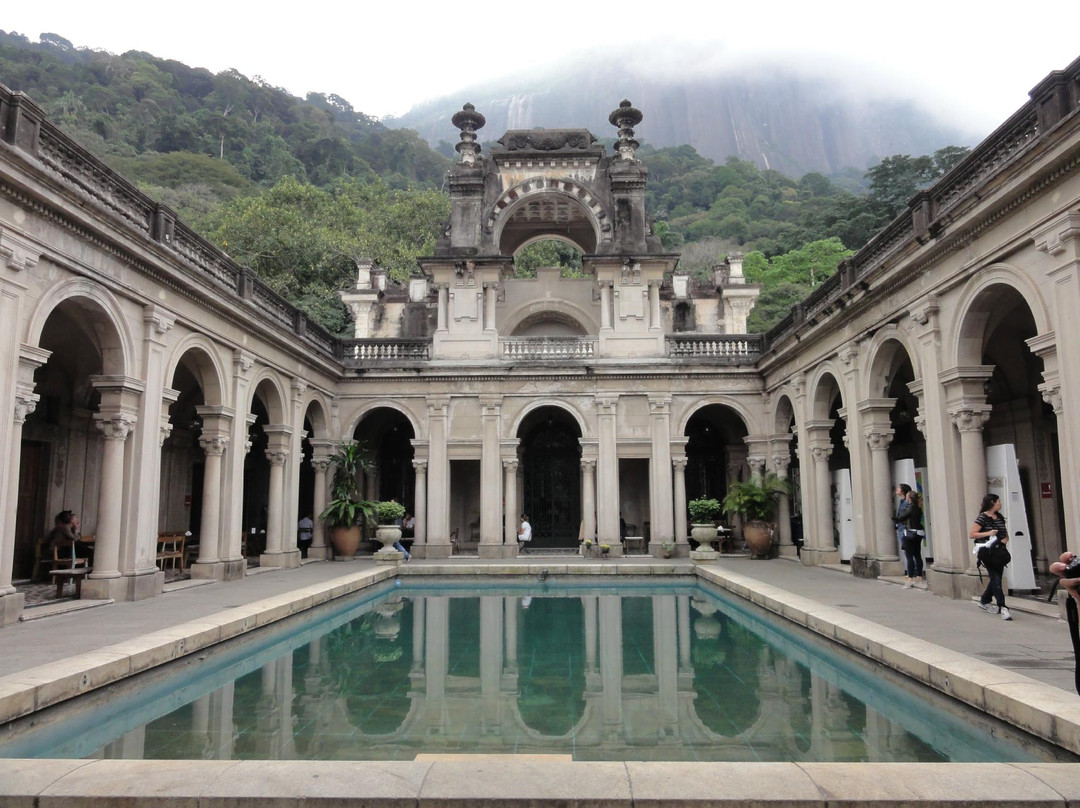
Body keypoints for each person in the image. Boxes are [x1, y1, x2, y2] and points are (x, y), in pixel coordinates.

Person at [970, 493, 1012, 621]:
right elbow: (972, 534)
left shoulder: (999, 517)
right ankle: (1003, 606)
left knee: (996, 578)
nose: (1000, 503)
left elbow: (1005, 533)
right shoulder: (982, 518)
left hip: (999, 551)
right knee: (996, 578)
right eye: (998, 501)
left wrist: (1005, 540)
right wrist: (988, 533)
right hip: (986, 552)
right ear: (992, 502)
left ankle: (985, 600)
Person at [897, 490, 926, 589]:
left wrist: (895, 518)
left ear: (909, 499)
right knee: (917, 554)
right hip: (919, 533)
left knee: (909, 556)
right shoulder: (918, 507)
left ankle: (910, 578)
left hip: (910, 533)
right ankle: (919, 576)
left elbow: (901, 517)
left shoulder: (910, 508)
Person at [893, 484, 912, 555]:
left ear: (902, 491)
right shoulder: (901, 502)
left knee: (908, 551)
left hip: (904, 528)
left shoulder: (906, 502)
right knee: (906, 551)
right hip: (901, 528)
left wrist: (898, 519)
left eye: (899, 488)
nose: (897, 489)